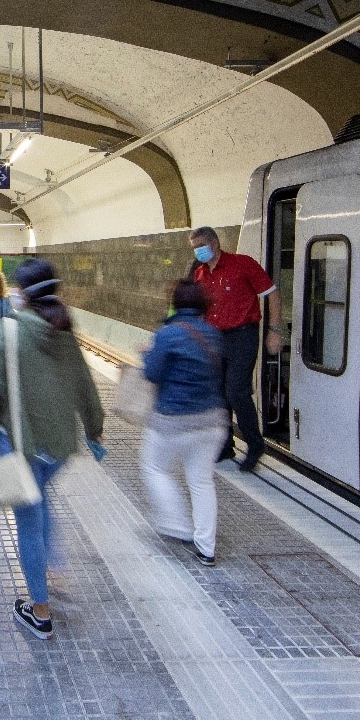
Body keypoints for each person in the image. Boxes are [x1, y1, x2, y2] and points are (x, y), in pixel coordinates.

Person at [0, 259, 104, 640]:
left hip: (21, 444)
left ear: (23, 293)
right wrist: (95, 430)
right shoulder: (64, 331)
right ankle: (53, 570)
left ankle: (40, 612)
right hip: (58, 447)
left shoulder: (8, 331)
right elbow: (86, 387)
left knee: (28, 520)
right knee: (40, 498)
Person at [140, 280, 227, 567]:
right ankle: (207, 548)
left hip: (174, 420)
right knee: (201, 481)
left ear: (175, 303)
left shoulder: (167, 334)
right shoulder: (214, 333)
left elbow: (152, 374)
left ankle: (178, 526)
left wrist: (146, 355)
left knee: (155, 468)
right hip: (212, 421)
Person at [188, 226, 282, 472]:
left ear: (215, 243)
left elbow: (272, 295)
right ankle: (225, 445)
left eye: (201, 246)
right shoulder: (200, 274)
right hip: (215, 338)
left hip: (242, 335)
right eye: (195, 248)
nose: (198, 251)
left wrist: (274, 330)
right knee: (218, 393)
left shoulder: (242, 264)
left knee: (236, 391)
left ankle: (255, 445)